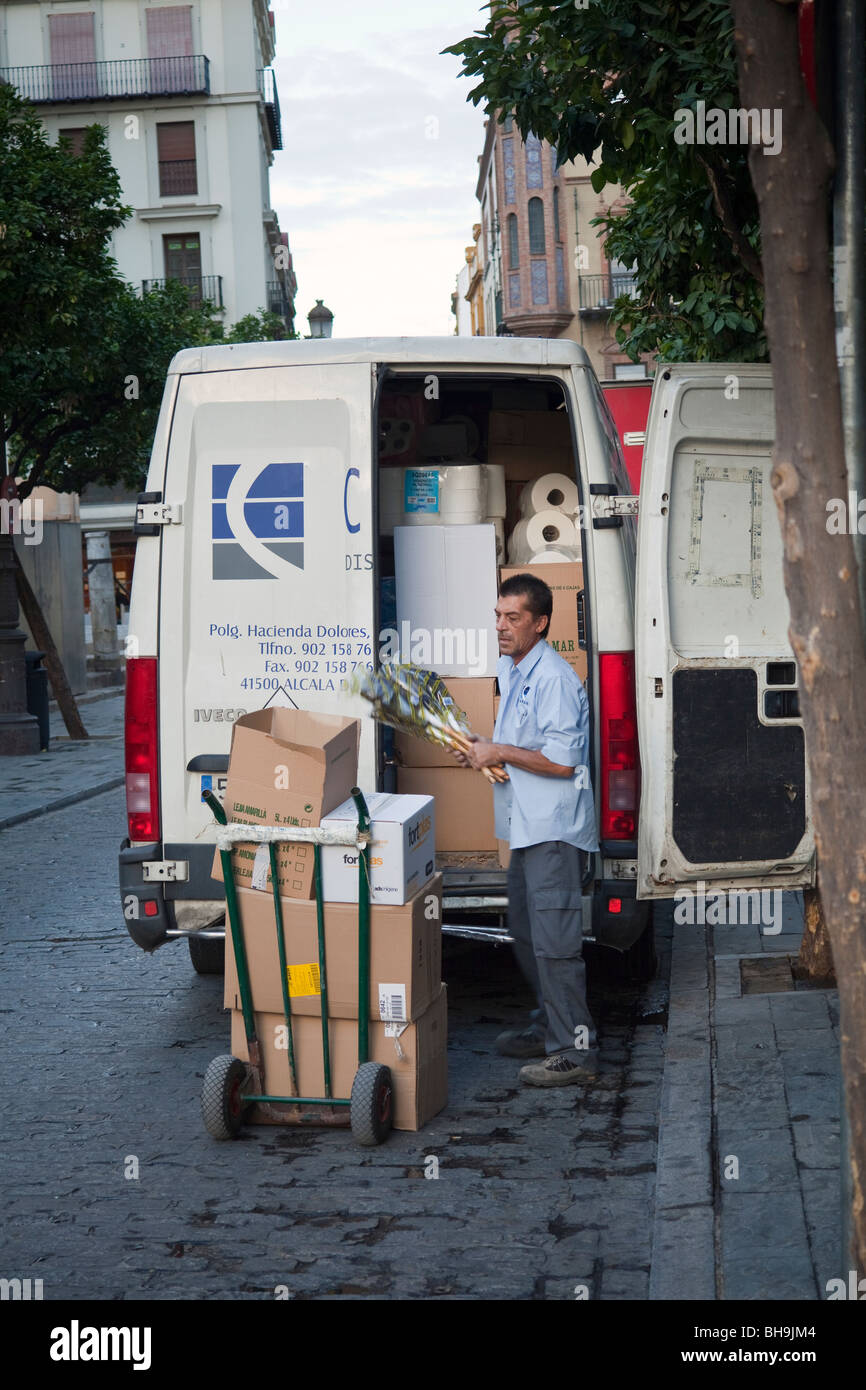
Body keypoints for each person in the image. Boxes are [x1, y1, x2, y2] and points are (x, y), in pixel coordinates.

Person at [453, 573, 600, 1087]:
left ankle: (575, 1054)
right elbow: (521, 743)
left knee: (556, 944)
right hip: (528, 828)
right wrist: (480, 746)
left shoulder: (554, 678)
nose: (501, 626)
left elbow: (563, 761)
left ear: (540, 624)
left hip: (554, 831)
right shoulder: (514, 668)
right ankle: (550, 1026)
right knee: (526, 931)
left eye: (513, 618)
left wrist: (500, 752)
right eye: (498, 615)